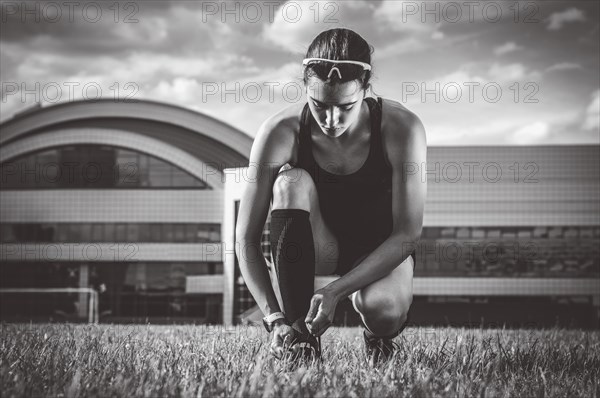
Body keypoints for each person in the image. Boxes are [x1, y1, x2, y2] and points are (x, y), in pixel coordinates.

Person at [235, 28, 427, 365]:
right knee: (290, 182)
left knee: (380, 309)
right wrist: (273, 317)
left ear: (366, 89)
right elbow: (246, 239)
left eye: (346, 106)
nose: (331, 119)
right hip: (320, 245)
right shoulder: (281, 131)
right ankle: (301, 339)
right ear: (305, 88)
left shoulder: (401, 128)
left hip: (378, 248)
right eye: (319, 104)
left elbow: (406, 235)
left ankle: (377, 339)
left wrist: (335, 291)